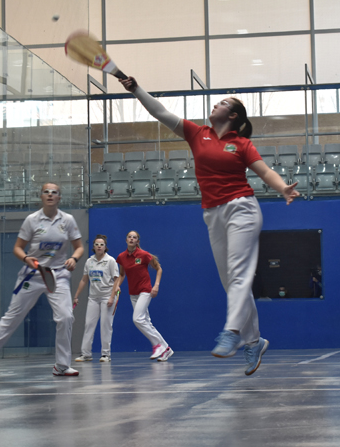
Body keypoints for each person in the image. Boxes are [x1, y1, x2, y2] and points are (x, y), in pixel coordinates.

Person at [120, 76, 300, 376]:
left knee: (239, 273)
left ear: (233, 115)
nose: (216, 103)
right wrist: (136, 89)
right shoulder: (197, 133)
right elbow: (160, 112)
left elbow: (264, 171)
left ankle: (232, 331)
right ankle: (254, 341)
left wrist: (282, 187)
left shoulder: (241, 144)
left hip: (242, 208)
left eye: (224, 103)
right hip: (212, 214)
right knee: (231, 282)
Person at [0, 182, 84, 378]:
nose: (50, 194)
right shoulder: (32, 220)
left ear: (59, 197)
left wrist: (74, 258)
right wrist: (26, 259)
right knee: (12, 317)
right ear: (41, 196)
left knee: (65, 317)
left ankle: (62, 366)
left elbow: (79, 247)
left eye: (54, 192)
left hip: (58, 275)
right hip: (33, 275)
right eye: (46, 192)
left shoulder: (68, 220)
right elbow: (17, 248)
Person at [116, 230, 173, 362]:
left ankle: (157, 345)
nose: (131, 239)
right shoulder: (121, 257)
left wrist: (156, 285)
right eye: (129, 237)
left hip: (145, 290)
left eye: (134, 237)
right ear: (126, 240)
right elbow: (122, 274)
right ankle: (166, 349)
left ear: (138, 241)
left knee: (137, 319)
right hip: (133, 293)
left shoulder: (144, 255)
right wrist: (117, 285)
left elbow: (159, 268)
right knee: (146, 322)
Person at [72, 234, 121, 362]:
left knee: (105, 325)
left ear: (105, 247)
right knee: (89, 324)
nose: (99, 246)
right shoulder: (89, 261)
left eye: (101, 245)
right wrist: (76, 296)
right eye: (97, 244)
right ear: (93, 247)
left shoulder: (110, 261)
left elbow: (116, 280)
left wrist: (112, 297)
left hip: (107, 297)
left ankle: (106, 354)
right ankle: (86, 354)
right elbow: (84, 280)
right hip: (93, 298)